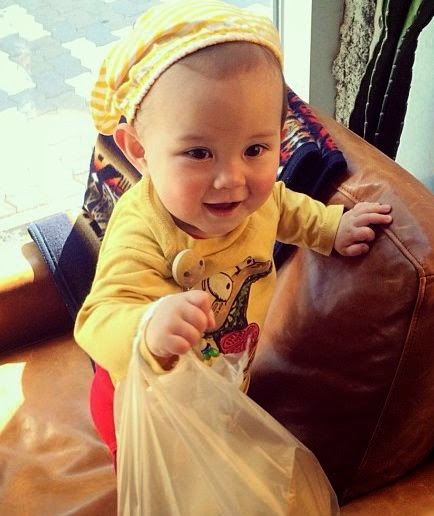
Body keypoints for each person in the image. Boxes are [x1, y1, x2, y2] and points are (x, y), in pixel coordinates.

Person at [74, 0, 392, 461]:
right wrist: (147, 328)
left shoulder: (256, 203)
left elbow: (288, 208)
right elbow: (98, 319)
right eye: (199, 153)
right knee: (163, 479)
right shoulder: (142, 228)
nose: (232, 180)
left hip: (223, 375)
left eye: (255, 149)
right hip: (143, 403)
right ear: (139, 151)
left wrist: (331, 227)